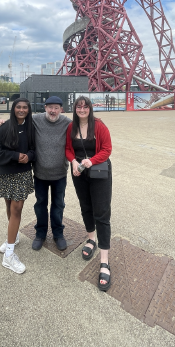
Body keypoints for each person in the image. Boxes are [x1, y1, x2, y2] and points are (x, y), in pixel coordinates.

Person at [0, 96, 72, 251]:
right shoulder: (36, 120)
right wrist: (3, 123)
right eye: (50, 107)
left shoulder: (67, 123)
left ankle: (58, 234)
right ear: (45, 108)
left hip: (60, 173)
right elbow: (19, 115)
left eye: (56, 108)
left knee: (58, 205)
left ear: (61, 109)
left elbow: (82, 125)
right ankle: (40, 234)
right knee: (40, 205)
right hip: (40, 173)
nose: (53, 111)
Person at [66, 96, 114, 291]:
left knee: (101, 213)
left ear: (90, 108)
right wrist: (73, 162)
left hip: (99, 172)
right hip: (79, 172)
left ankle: (104, 261)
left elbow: (107, 149)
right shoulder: (72, 127)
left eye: (85, 106)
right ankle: (91, 239)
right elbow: (68, 149)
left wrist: (91, 161)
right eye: (79, 106)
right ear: (75, 109)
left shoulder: (99, 126)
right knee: (85, 207)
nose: (82, 109)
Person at [0, 98, 36, 274]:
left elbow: (34, 149)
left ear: (28, 110)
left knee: (17, 209)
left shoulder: (31, 128)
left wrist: (29, 157)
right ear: (14, 109)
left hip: (22, 174)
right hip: (6, 173)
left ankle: (8, 254)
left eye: (25, 107)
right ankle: (12, 239)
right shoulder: (5, 128)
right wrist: (15, 156)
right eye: (19, 107)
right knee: (9, 205)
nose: (22, 110)